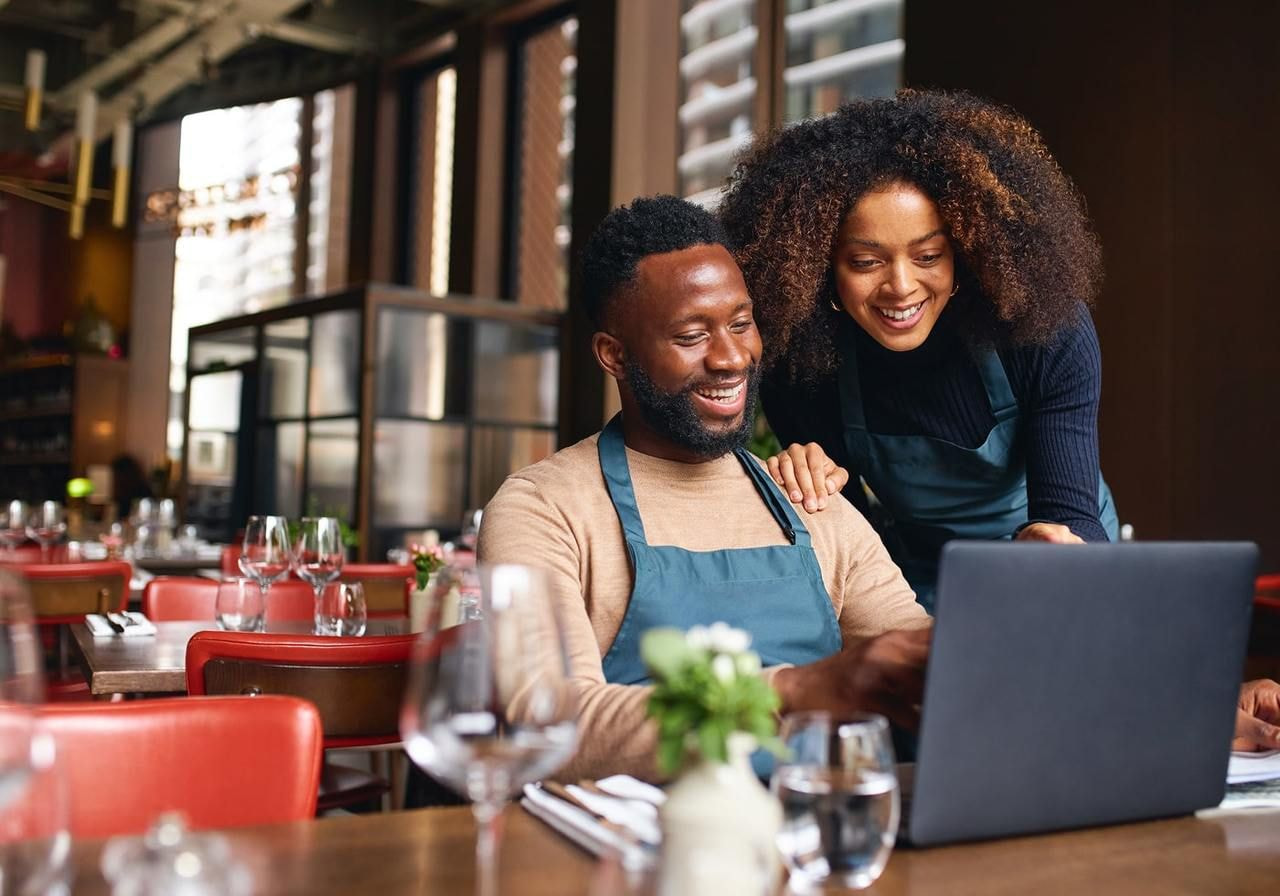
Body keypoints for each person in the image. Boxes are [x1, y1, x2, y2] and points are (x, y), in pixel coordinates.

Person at [477, 196, 931, 782]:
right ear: (614, 356)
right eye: (692, 335)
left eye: (741, 324)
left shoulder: (809, 496)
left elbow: (917, 661)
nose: (732, 357)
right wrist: (797, 689)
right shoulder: (543, 509)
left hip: (819, 839)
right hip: (629, 857)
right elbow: (546, 720)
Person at [719, 90, 1118, 611]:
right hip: (919, 580)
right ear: (819, 270)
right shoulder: (802, 363)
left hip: (1057, 566)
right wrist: (808, 485)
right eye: (866, 262)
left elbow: (1072, 513)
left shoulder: (1043, 330)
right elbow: (853, 543)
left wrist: (1056, 546)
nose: (901, 287)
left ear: (966, 252)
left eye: (929, 255)